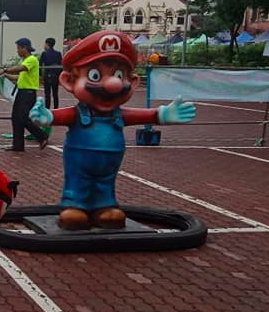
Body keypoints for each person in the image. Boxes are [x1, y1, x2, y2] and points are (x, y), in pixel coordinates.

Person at [29, 31, 196, 230]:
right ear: (70, 81)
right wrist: (47, 117)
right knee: (77, 183)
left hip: (109, 164)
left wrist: (162, 114)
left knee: (106, 184)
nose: (112, 84)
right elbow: (60, 116)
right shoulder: (78, 113)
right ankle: (75, 206)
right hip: (79, 161)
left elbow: (142, 115)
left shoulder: (119, 114)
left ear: (132, 82)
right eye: (95, 75)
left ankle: (104, 206)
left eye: (119, 75)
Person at [0, 38, 47, 151]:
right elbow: (18, 77)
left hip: (28, 93)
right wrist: (4, 76)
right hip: (22, 93)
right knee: (16, 119)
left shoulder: (31, 60)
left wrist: (4, 70)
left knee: (22, 118)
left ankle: (42, 136)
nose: (17, 51)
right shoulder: (26, 61)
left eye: (18, 48)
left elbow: (20, 69)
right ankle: (18, 146)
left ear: (25, 48)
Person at [39, 37, 62, 109]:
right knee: (55, 94)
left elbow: (40, 65)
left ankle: (47, 109)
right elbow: (61, 65)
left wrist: (40, 76)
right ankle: (56, 109)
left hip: (47, 76)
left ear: (47, 44)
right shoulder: (58, 53)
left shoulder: (44, 53)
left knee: (47, 95)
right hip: (55, 76)